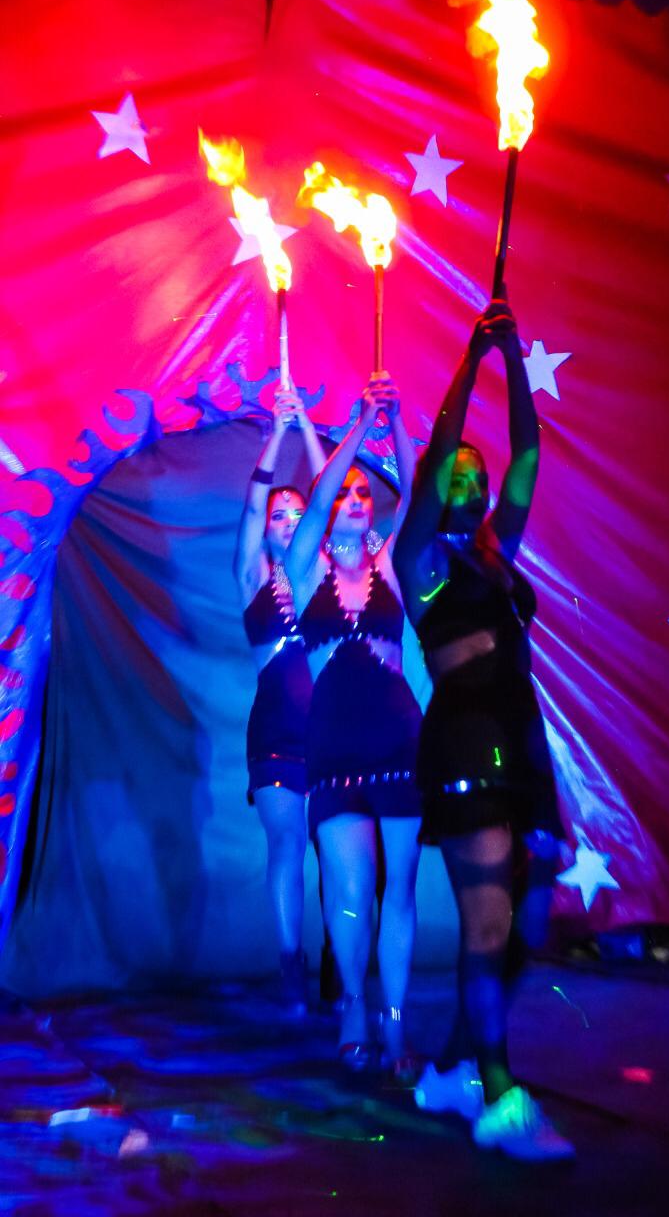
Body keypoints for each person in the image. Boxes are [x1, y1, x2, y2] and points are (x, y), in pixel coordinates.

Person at [393, 299, 574, 1161]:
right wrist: (468, 363)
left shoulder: (497, 553)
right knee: (488, 926)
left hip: (520, 747)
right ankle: (499, 1095)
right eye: (454, 472)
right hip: (465, 744)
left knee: (522, 934)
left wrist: (510, 359)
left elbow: (529, 454)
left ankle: (450, 1069)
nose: (466, 478)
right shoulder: (421, 561)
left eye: (476, 471)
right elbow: (437, 451)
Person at [286, 374, 422, 1076]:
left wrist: (392, 424)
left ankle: (394, 1027)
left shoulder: (390, 565)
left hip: (399, 744)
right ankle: (354, 1007)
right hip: (335, 751)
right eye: (345, 493)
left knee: (399, 890)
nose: (355, 499)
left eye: (365, 492)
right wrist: (359, 427)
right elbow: (313, 505)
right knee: (349, 894)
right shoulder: (303, 569)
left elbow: (419, 496)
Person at [235, 387, 326, 1012]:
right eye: (279, 516)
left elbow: (331, 492)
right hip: (275, 735)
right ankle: (292, 964)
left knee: (343, 851)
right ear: (267, 531)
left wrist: (311, 431)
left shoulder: (328, 571)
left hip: (334, 732)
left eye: (299, 513)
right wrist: (276, 435)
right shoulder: (252, 578)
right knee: (288, 845)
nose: (290, 521)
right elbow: (250, 507)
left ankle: (342, 965)